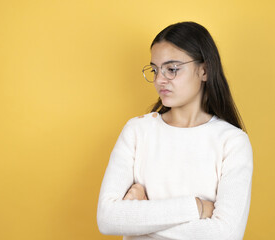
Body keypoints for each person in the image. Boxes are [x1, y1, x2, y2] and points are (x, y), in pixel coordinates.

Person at [97, 21, 253, 240]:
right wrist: (196, 207)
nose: (160, 80)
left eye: (171, 69)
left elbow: (224, 235)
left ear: (204, 70)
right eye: (154, 70)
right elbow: (107, 218)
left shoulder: (232, 141)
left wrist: (142, 212)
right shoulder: (137, 131)